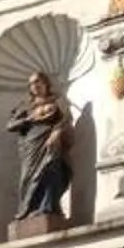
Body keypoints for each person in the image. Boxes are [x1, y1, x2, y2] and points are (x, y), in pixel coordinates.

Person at [7, 69, 75, 227]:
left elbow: (65, 120)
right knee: (28, 177)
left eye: (38, 82)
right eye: (31, 84)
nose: (35, 86)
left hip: (51, 143)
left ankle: (48, 207)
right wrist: (29, 120)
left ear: (46, 84)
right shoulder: (25, 106)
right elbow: (10, 126)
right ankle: (29, 210)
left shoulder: (57, 102)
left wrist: (57, 132)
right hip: (31, 145)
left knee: (50, 171)